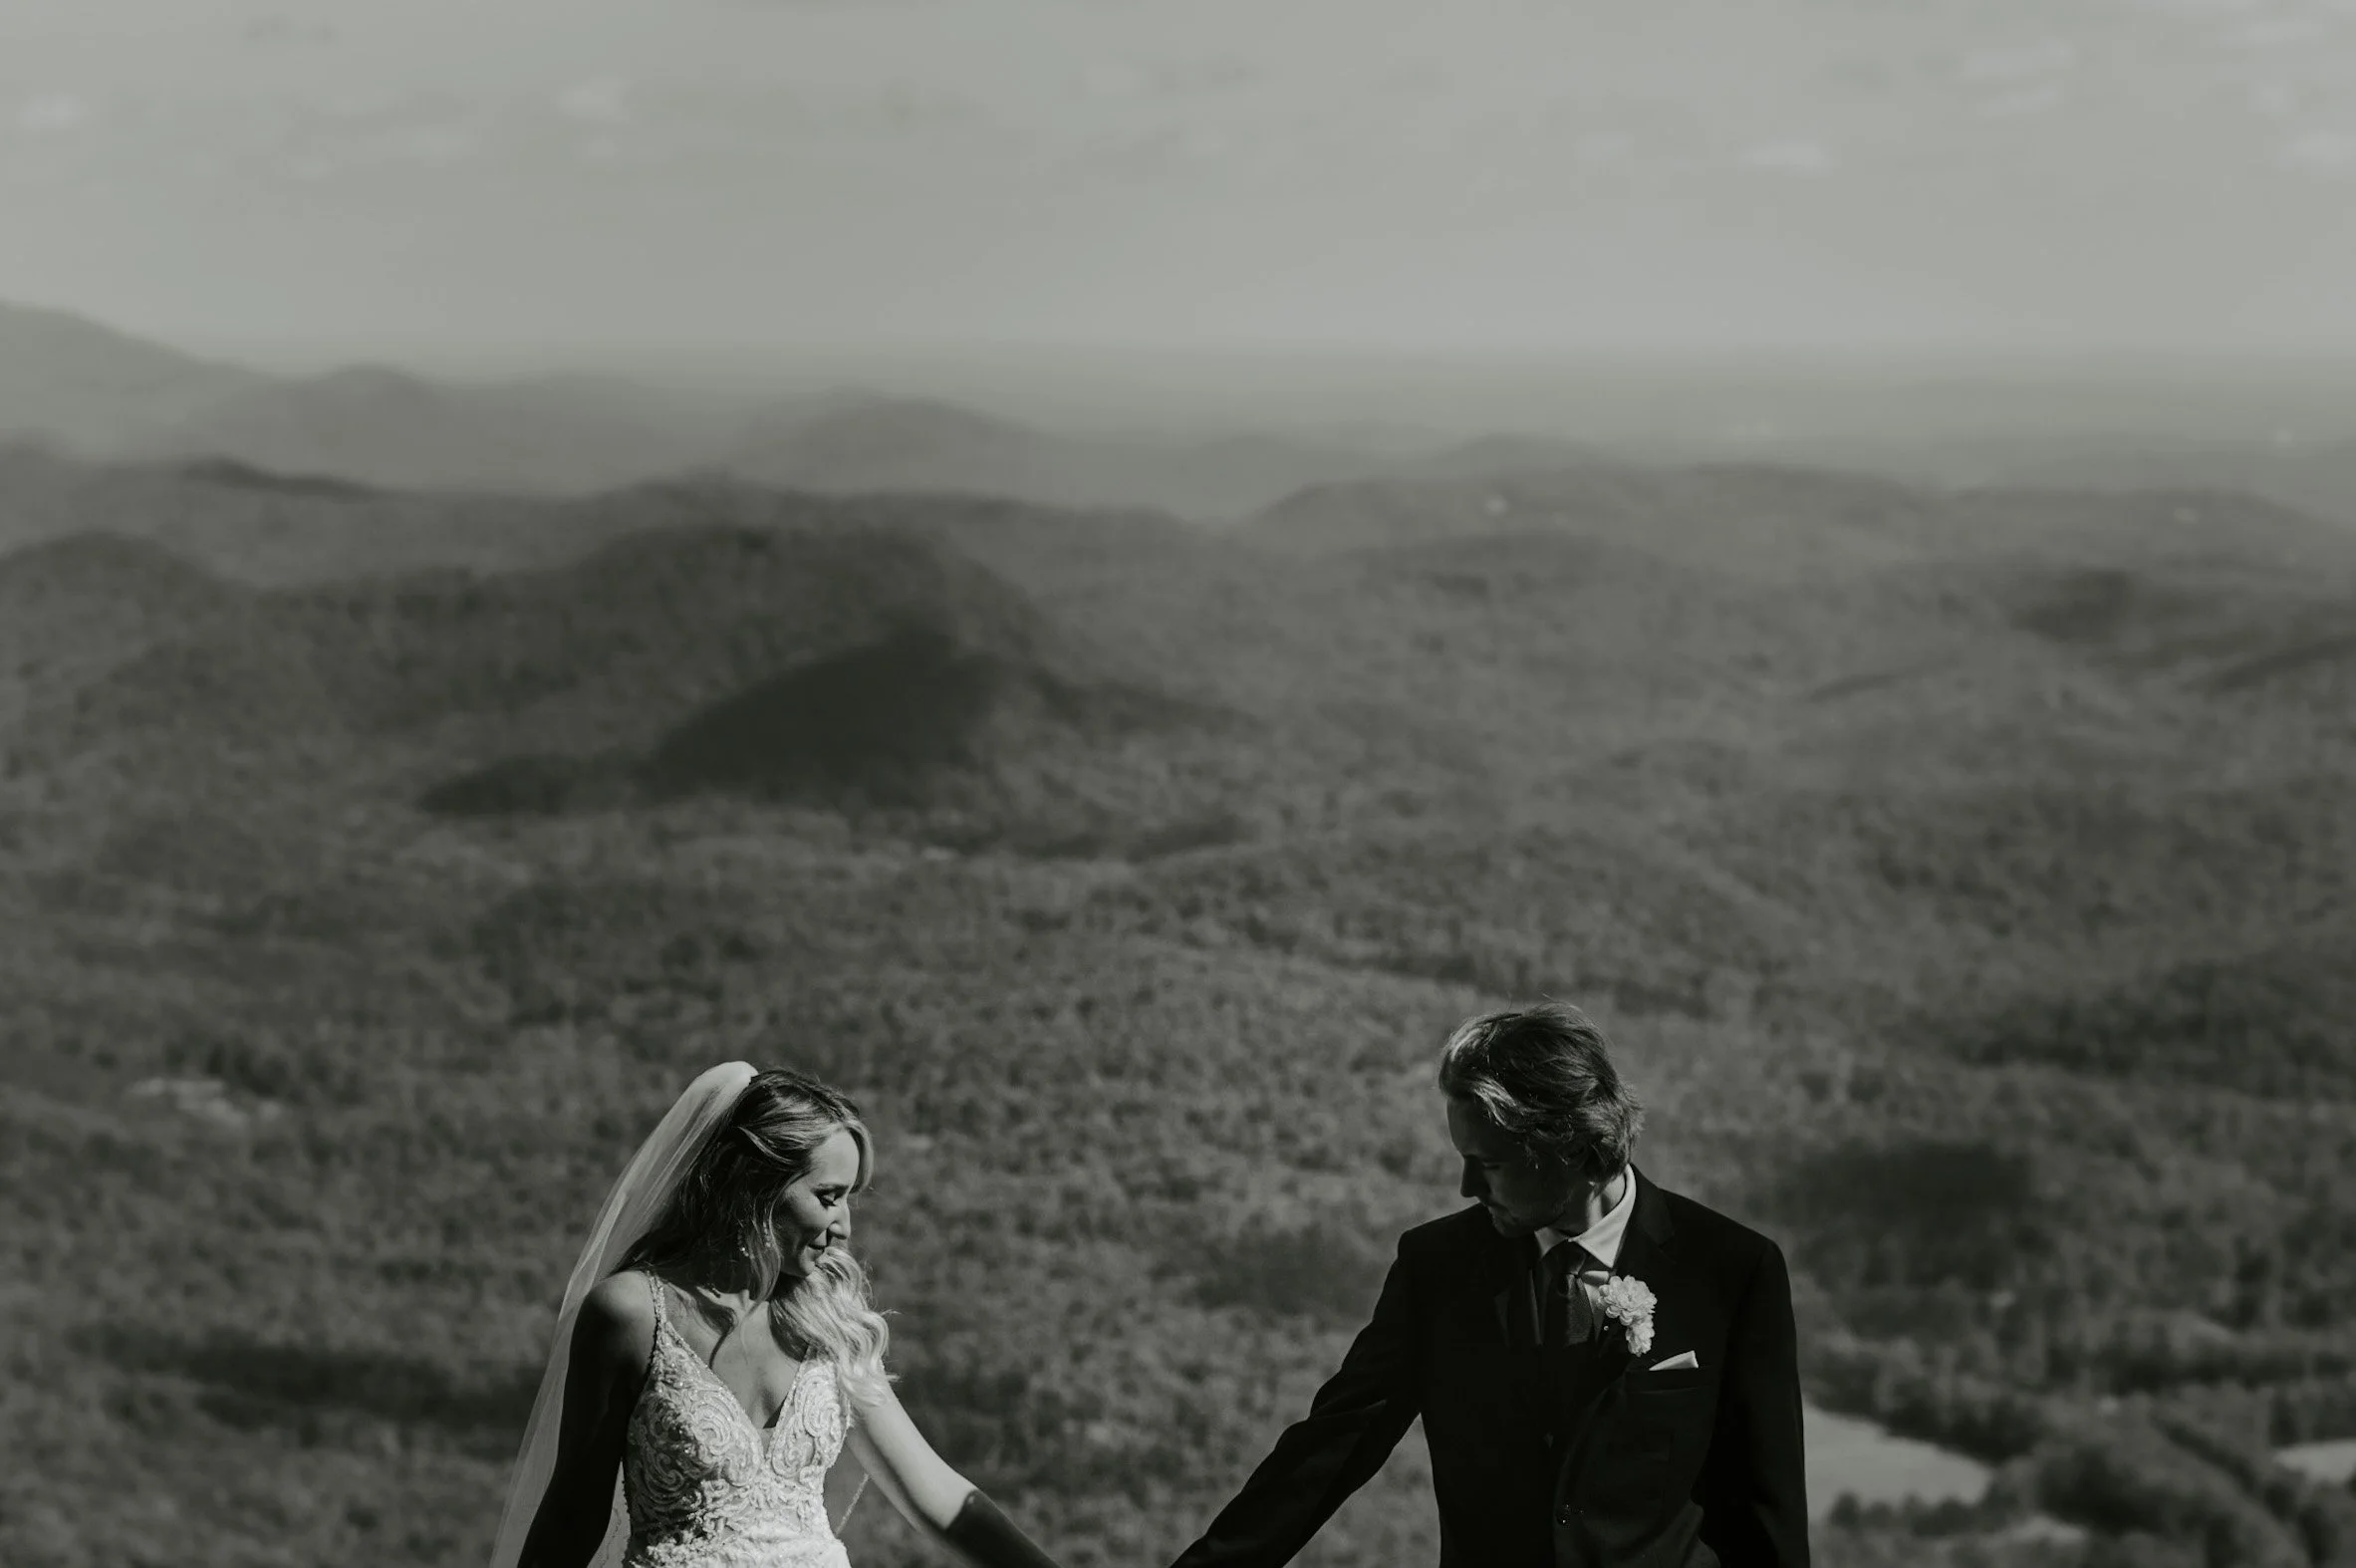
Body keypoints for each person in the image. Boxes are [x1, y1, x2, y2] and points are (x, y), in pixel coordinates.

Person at [1169, 1002, 1809, 1568]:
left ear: (1573, 1150)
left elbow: (1765, 1505)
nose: (1468, 1190)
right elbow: (1331, 1449)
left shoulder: (1732, 1270)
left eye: (1490, 1165)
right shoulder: (1437, 1268)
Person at [489, 1062, 1063, 1568]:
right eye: (829, 1196)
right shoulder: (631, 1314)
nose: (844, 1226)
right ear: (758, 1186)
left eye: (849, 1198)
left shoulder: (830, 1322)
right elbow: (570, 1519)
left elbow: (935, 1494)